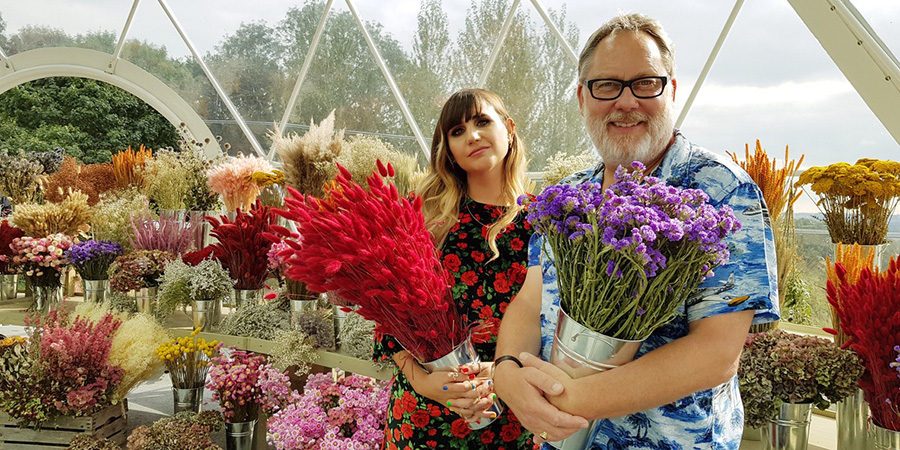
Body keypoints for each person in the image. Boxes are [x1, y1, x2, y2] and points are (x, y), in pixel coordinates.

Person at [492, 13, 779, 449]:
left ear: (672, 91)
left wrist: (569, 400)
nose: (626, 102)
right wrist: (506, 371)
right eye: (607, 85)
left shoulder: (722, 192)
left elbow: (715, 353)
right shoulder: (567, 197)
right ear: (583, 98)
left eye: (646, 83)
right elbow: (532, 301)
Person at [373, 88, 535, 449]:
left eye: (482, 122)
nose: (472, 136)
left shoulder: (543, 222)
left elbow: (556, 316)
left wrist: (504, 371)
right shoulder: (428, 218)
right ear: (448, 148)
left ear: (508, 128)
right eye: (457, 131)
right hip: (426, 415)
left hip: (513, 413)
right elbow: (385, 311)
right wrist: (421, 382)